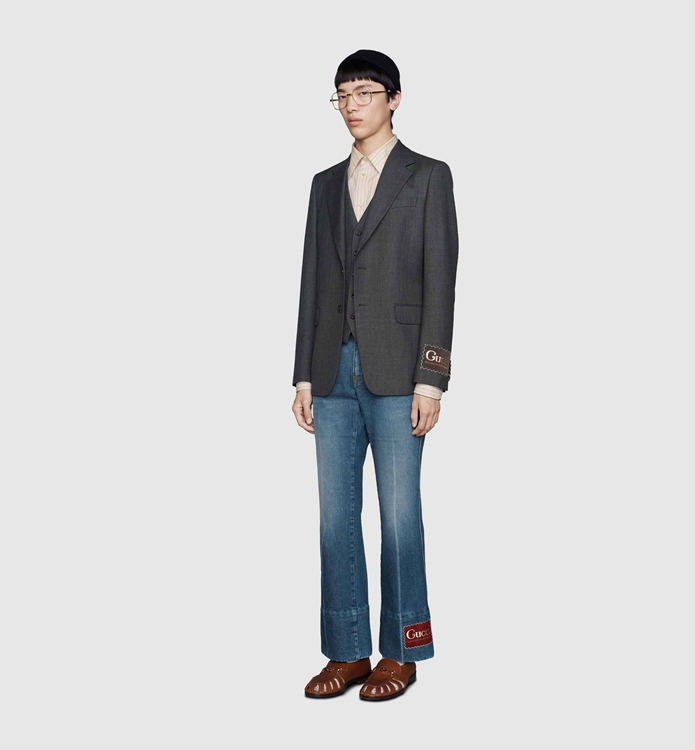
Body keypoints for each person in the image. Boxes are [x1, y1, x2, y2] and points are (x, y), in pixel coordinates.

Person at [291, 49, 459, 701]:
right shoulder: (324, 184)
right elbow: (312, 281)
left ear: (394, 99)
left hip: (400, 372)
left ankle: (403, 650)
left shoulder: (428, 176)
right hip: (332, 369)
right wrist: (303, 375)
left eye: (365, 92)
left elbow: (441, 280)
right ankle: (347, 650)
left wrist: (431, 378)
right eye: (343, 94)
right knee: (335, 519)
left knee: (398, 516)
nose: (352, 105)